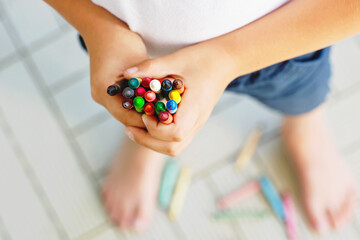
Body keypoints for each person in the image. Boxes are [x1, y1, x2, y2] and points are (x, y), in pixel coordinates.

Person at [45, 0, 359, 234]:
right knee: (148, 111)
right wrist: (97, 25)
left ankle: (304, 126)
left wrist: (227, 58)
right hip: (125, 44)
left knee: (299, 92)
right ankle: (146, 139)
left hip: (282, 37)